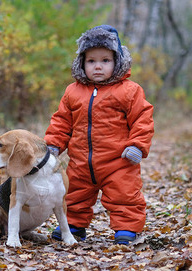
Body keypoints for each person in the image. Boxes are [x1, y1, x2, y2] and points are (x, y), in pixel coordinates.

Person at [44, 25, 154, 245]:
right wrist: (53, 145)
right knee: (74, 194)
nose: (98, 67)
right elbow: (62, 120)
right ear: (82, 63)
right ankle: (73, 225)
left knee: (124, 195)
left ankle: (126, 228)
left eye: (105, 61)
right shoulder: (73, 91)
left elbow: (142, 119)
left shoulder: (129, 90)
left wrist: (137, 145)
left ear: (117, 61)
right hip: (81, 161)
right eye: (91, 61)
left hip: (119, 161)